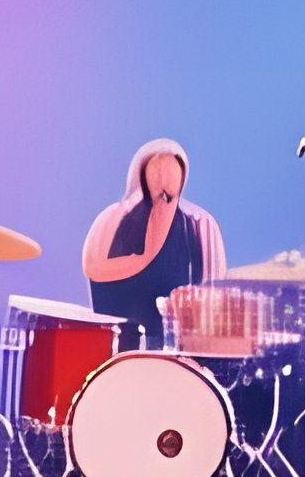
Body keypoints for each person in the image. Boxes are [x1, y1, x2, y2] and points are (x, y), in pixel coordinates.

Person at [82, 138, 227, 347]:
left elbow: (214, 297)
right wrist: (145, 256)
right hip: (112, 349)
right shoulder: (111, 219)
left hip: (172, 353)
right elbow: (94, 268)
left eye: (168, 193)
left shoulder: (200, 225)